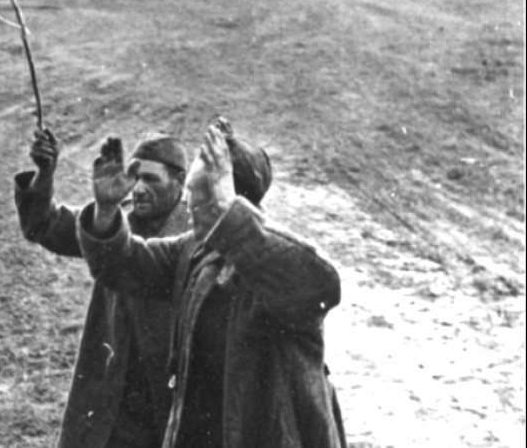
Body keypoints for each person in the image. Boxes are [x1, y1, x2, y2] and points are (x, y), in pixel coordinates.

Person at [77, 120, 347, 448]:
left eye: (201, 195)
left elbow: (323, 287)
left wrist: (231, 212)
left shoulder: (272, 265)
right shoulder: (195, 249)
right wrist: (106, 211)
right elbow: (127, 263)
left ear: (233, 201)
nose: (188, 205)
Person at [14, 128, 190, 448]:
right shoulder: (111, 219)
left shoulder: (199, 236)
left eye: (152, 179)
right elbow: (45, 224)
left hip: (173, 403)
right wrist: (45, 173)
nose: (138, 189)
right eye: (134, 177)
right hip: (115, 398)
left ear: (180, 182)